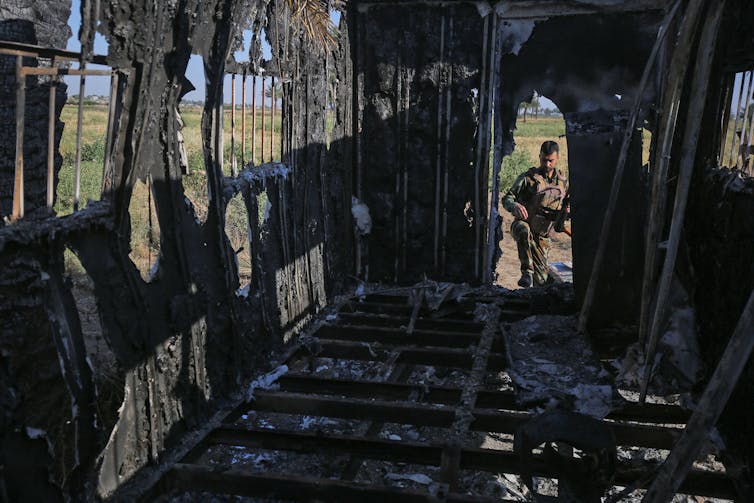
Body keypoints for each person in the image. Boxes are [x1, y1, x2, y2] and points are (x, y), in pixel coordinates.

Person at [502, 140, 569, 288]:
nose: (547, 164)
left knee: (542, 281)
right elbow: (507, 198)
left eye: (551, 161)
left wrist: (566, 212)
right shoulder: (528, 178)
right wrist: (514, 206)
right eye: (544, 160)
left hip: (543, 236)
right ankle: (526, 272)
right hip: (524, 225)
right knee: (523, 230)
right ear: (539, 156)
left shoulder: (563, 182)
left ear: (557, 158)